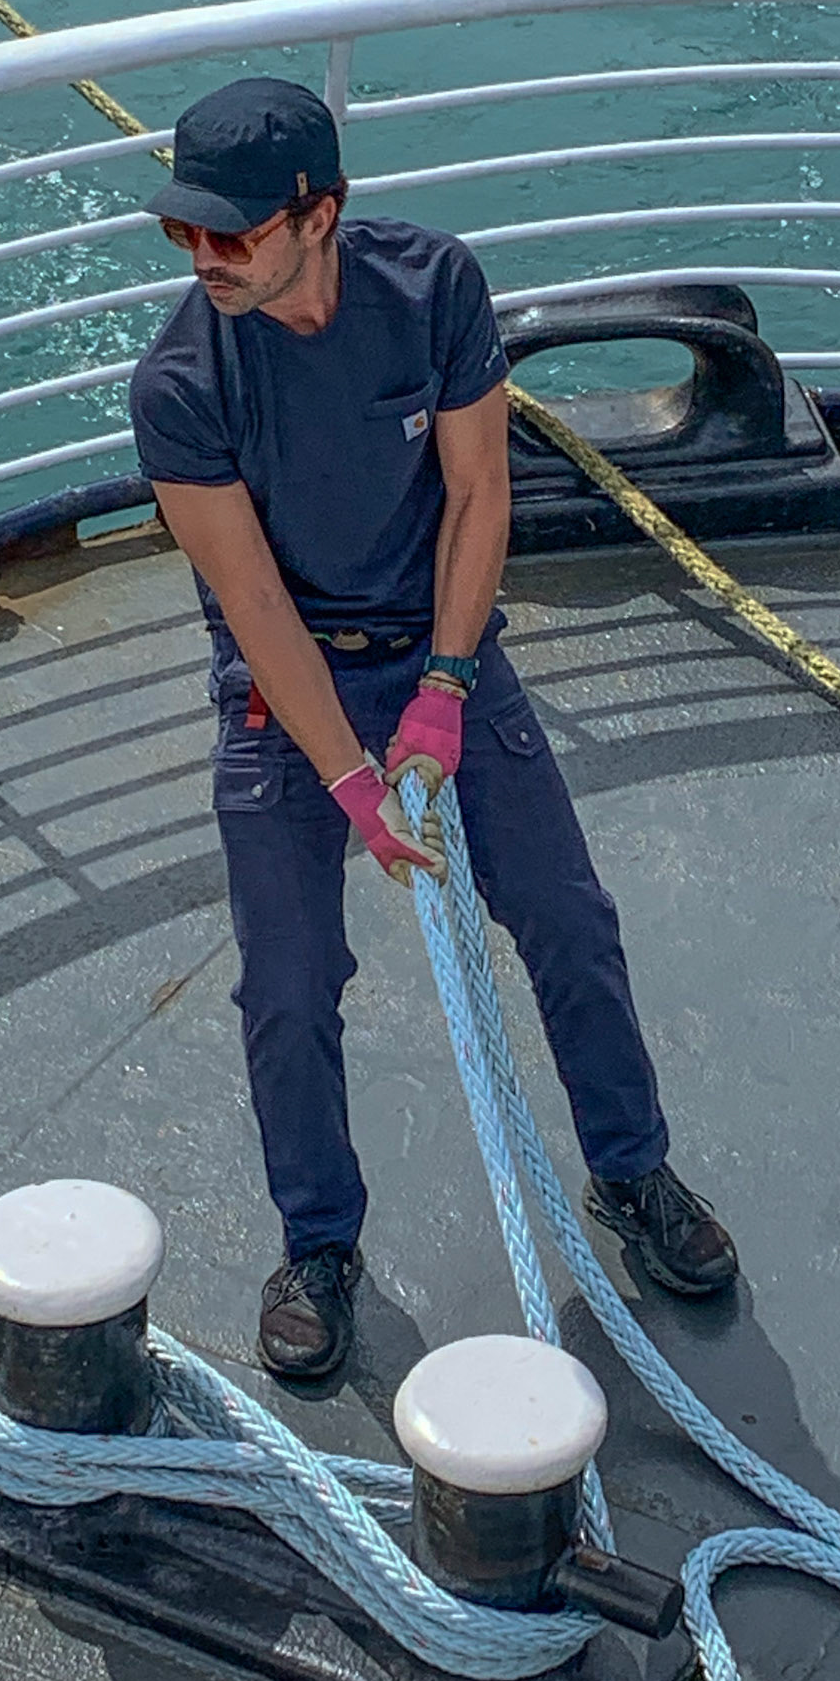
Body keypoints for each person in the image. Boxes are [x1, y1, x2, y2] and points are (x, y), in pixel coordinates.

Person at [129, 76, 737, 1379]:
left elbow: (476, 500)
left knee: (570, 921)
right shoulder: (179, 384)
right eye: (185, 234)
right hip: (283, 685)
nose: (205, 259)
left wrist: (447, 693)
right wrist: (353, 783)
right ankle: (319, 1246)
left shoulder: (436, 290)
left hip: (437, 650)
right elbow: (252, 606)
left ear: (320, 215)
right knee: (288, 987)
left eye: (230, 234)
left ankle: (633, 1177)